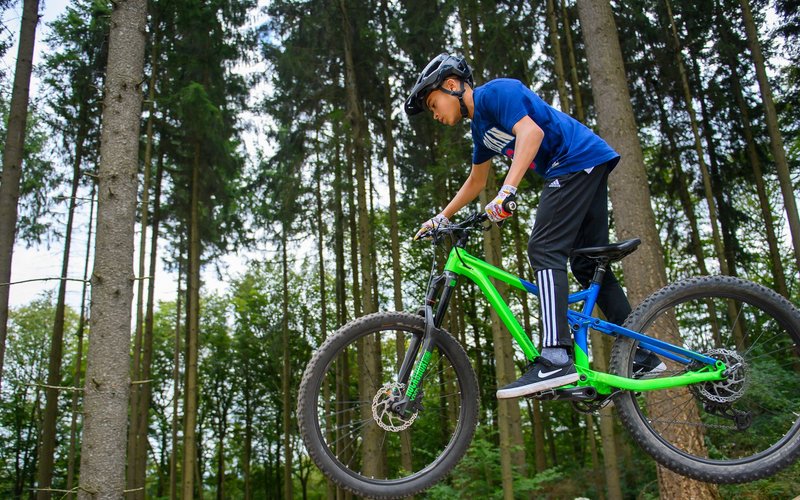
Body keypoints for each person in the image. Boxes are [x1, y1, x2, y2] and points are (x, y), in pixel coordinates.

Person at [406, 53, 664, 399]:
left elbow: (531, 132)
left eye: (433, 103)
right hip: (586, 163)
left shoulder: (496, 94)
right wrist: (442, 217)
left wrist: (507, 192)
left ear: (451, 86)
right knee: (587, 264)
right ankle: (643, 354)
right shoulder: (481, 130)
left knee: (544, 249)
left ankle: (556, 355)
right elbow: (476, 181)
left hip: (573, 161)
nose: (434, 115)